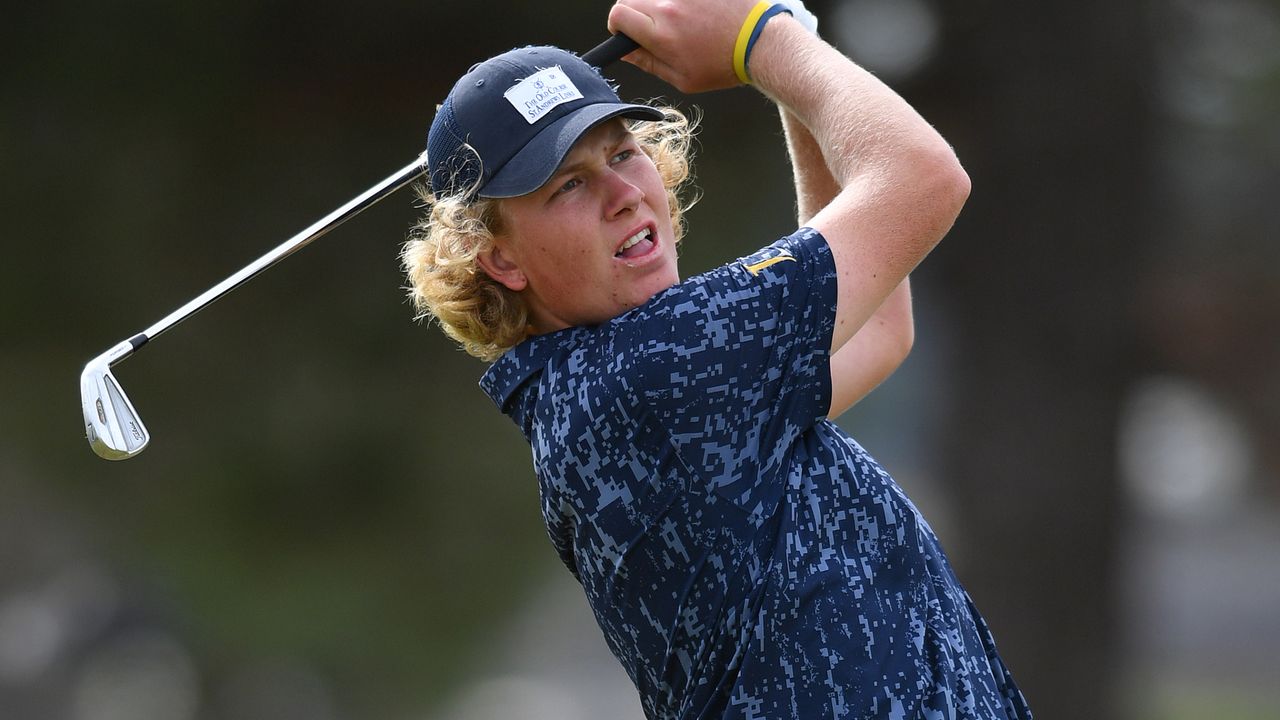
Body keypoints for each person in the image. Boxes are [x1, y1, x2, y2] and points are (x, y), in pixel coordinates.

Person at [402, 0, 1032, 717]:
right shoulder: (659, 367)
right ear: (499, 259)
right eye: (568, 184)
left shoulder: (616, 386)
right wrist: (764, 39)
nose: (622, 194)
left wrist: (790, 56)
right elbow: (923, 178)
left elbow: (879, 325)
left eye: (622, 152)